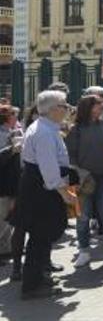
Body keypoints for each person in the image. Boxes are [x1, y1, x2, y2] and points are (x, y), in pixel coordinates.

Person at [16, 90, 78, 299]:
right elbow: (49, 169)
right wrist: (65, 193)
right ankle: (32, 286)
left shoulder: (47, 128)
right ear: (53, 110)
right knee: (39, 237)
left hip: (41, 187)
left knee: (42, 237)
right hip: (41, 190)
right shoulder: (43, 132)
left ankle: (40, 276)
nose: (67, 109)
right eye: (64, 105)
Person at [67, 95, 103, 268]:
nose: (101, 107)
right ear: (88, 107)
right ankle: (84, 251)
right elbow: (70, 158)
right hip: (83, 180)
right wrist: (81, 175)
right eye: (98, 105)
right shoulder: (76, 129)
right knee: (82, 218)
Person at [0, 105, 22, 269]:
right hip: (3, 183)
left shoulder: (13, 133)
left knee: (8, 219)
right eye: (14, 115)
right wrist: (12, 149)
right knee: (2, 219)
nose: (17, 118)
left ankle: (5, 249)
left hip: (11, 182)